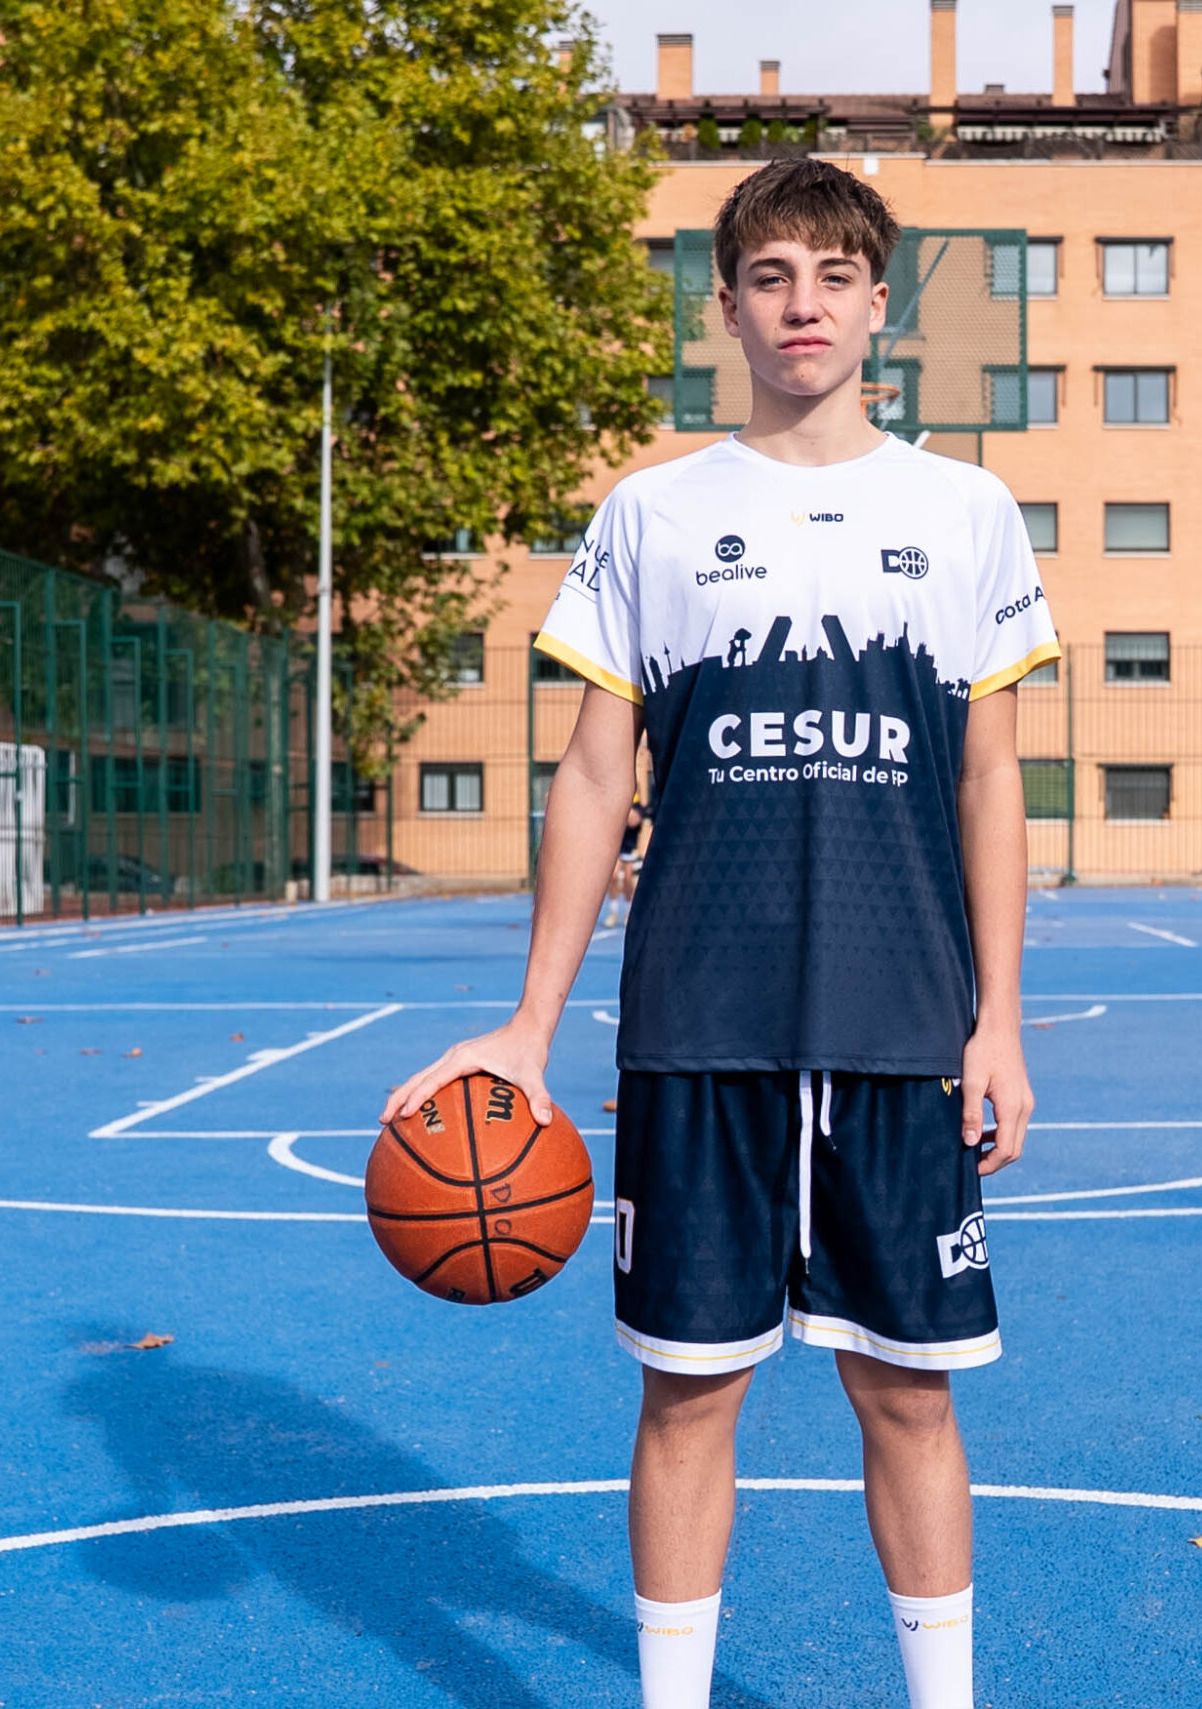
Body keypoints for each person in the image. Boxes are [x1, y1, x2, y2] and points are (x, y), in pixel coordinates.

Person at [382, 158, 1057, 1709]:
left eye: (834, 275)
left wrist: (1000, 1020)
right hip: (699, 1026)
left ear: (879, 307)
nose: (802, 303)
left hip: (901, 1026)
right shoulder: (654, 512)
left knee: (910, 1399)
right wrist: (528, 1025)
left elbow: (991, 778)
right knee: (688, 1400)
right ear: (729, 310)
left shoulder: (966, 511)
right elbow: (592, 774)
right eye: (770, 276)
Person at [604, 800, 650, 927]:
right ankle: (613, 911)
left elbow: (633, 821)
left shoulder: (638, 807)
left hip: (630, 848)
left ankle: (628, 911)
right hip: (618, 848)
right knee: (613, 877)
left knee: (628, 880)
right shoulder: (618, 802)